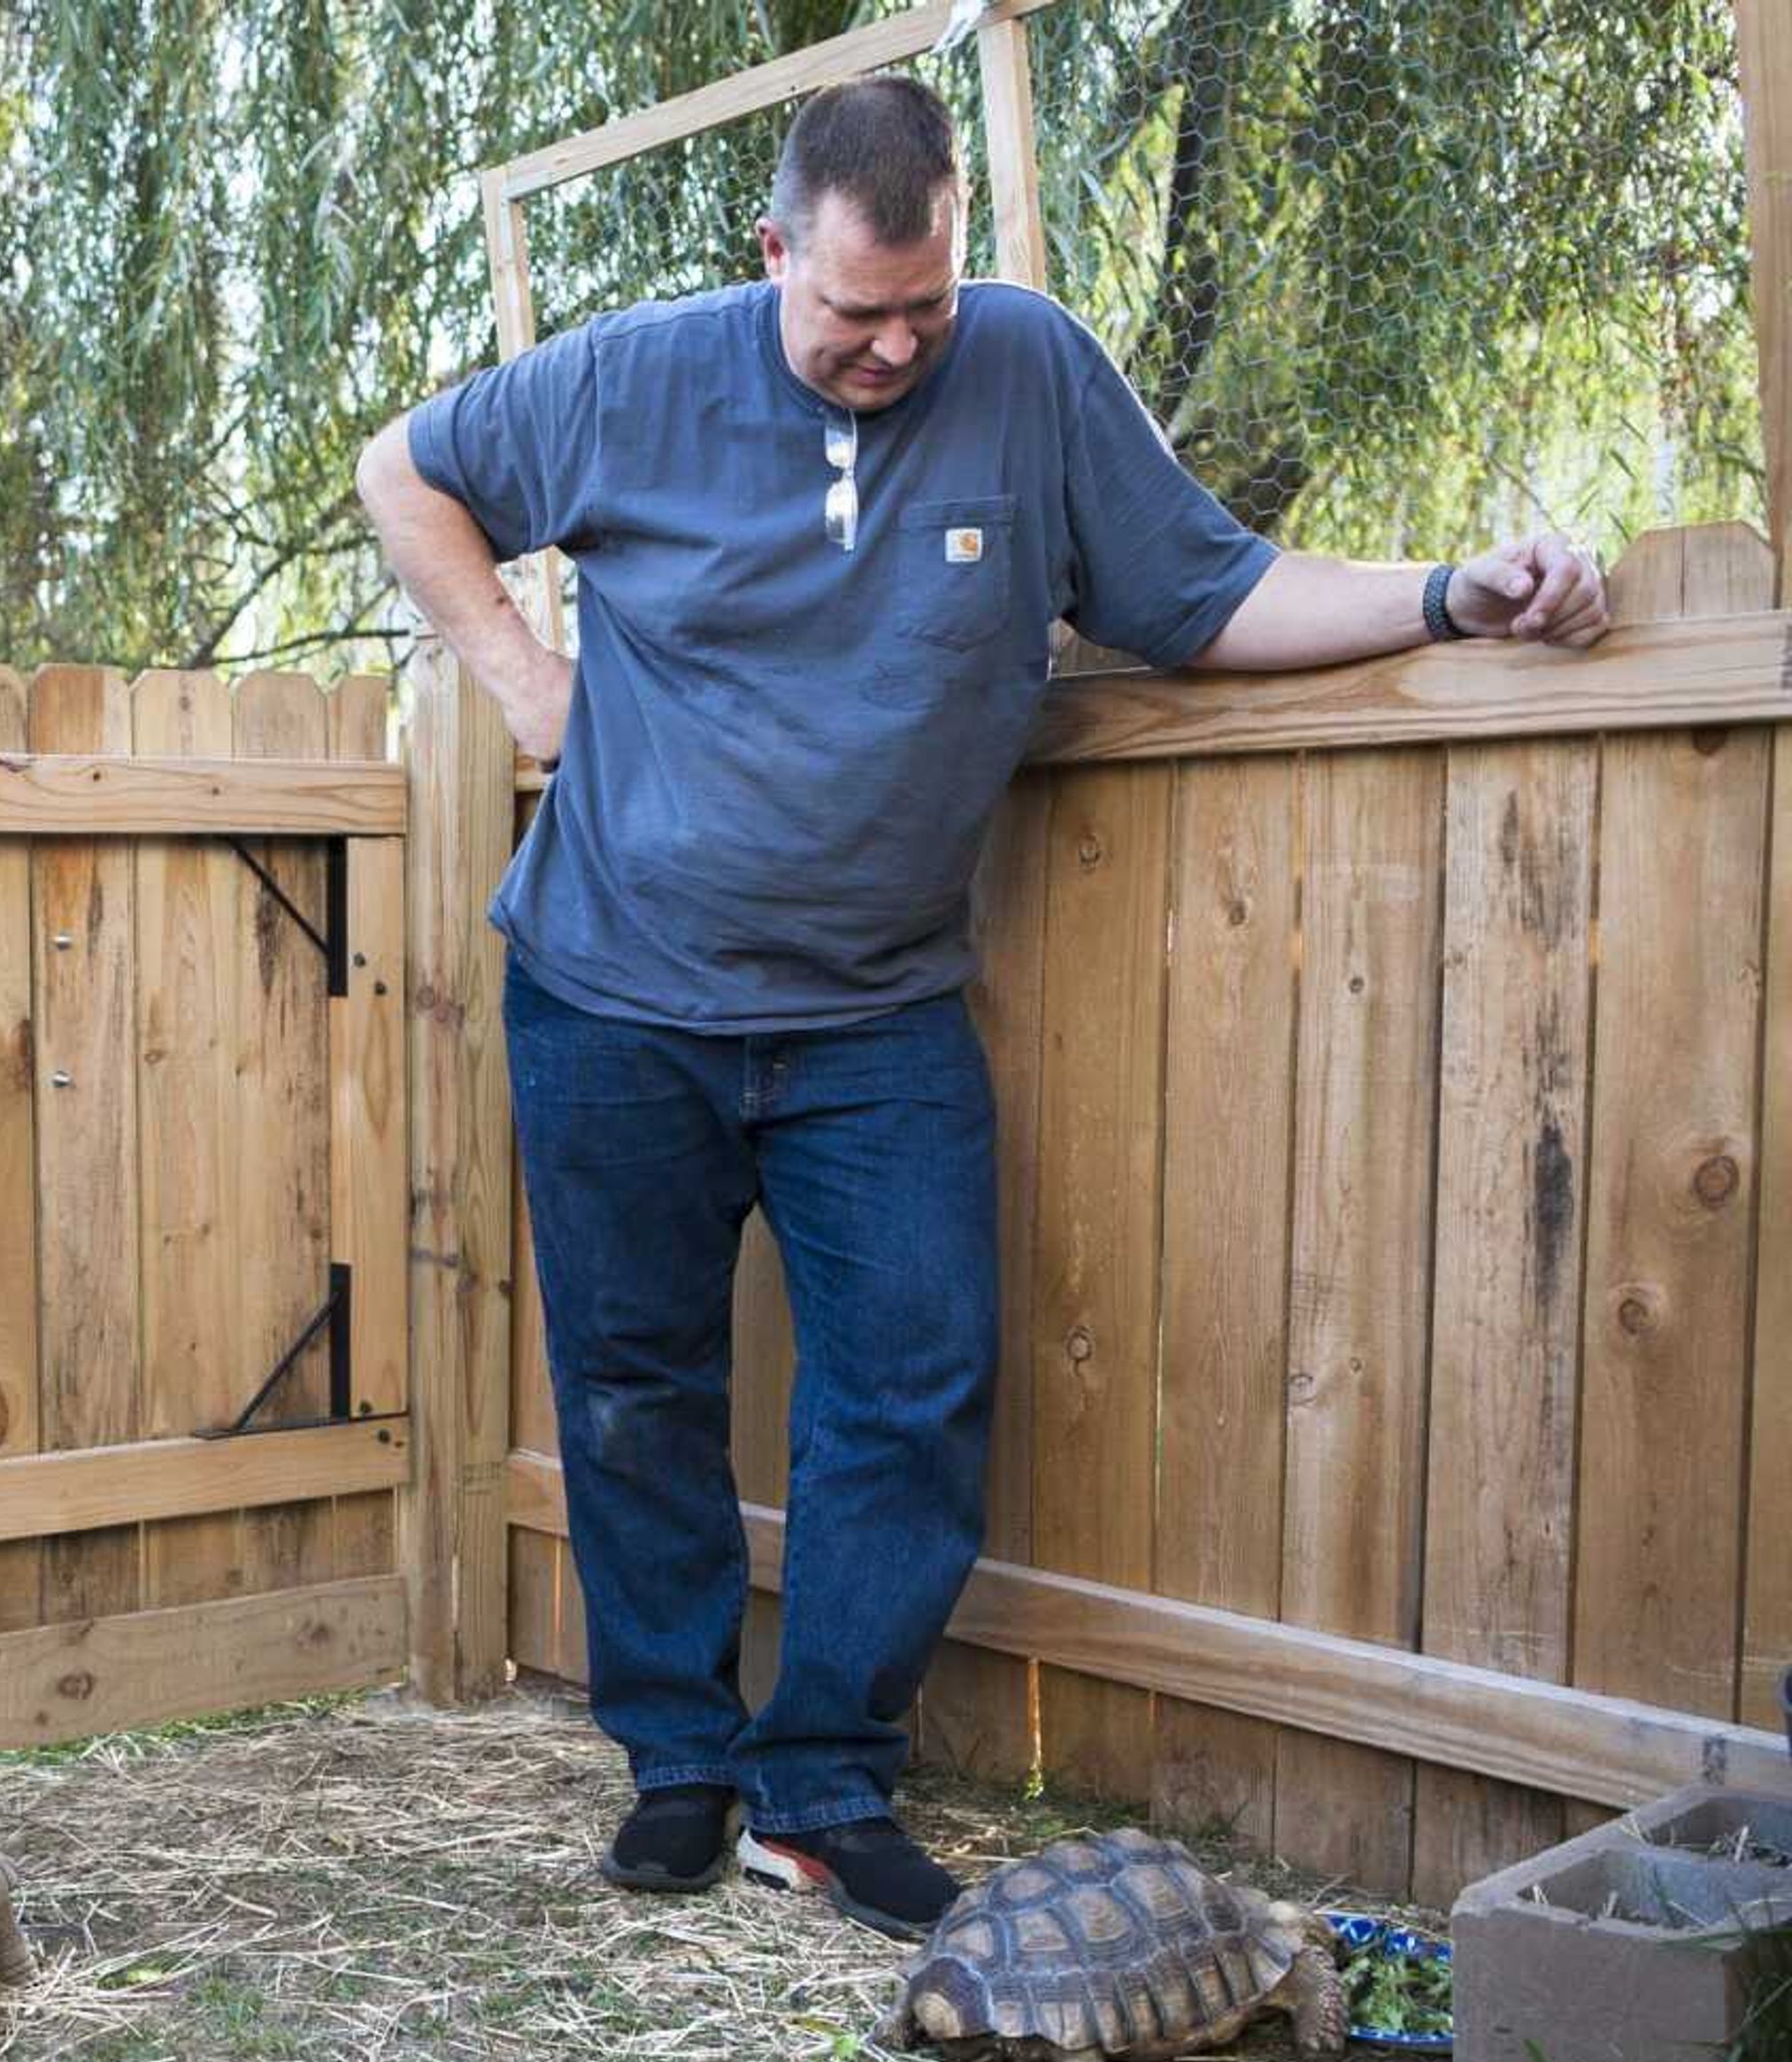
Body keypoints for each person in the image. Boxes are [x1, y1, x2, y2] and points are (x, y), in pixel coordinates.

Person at [356, 75, 1606, 1941]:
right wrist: (522, 674)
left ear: (960, 255)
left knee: (912, 1384)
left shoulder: (1025, 371)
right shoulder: (634, 378)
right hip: (613, 991)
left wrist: (1446, 593)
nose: (891, 346)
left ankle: (824, 1779)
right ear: (774, 251)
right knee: (635, 1388)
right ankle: (681, 1758)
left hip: (877, 1016)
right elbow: (408, 468)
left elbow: (1209, 591)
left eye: (922, 305)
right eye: (853, 310)